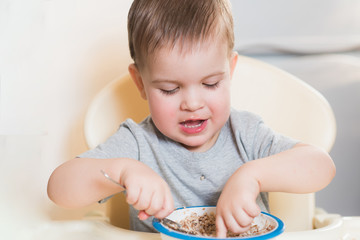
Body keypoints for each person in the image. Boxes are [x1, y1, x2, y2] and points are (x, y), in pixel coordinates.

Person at [47, 0, 336, 237]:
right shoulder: (137, 144)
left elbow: (321, 166)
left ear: (230, 71)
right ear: (140, 84)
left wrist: (252, 177)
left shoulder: (245, 133)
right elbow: (59, 189)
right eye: (170, 89)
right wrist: (124, 171)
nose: (193, 104)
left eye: (210, 84)